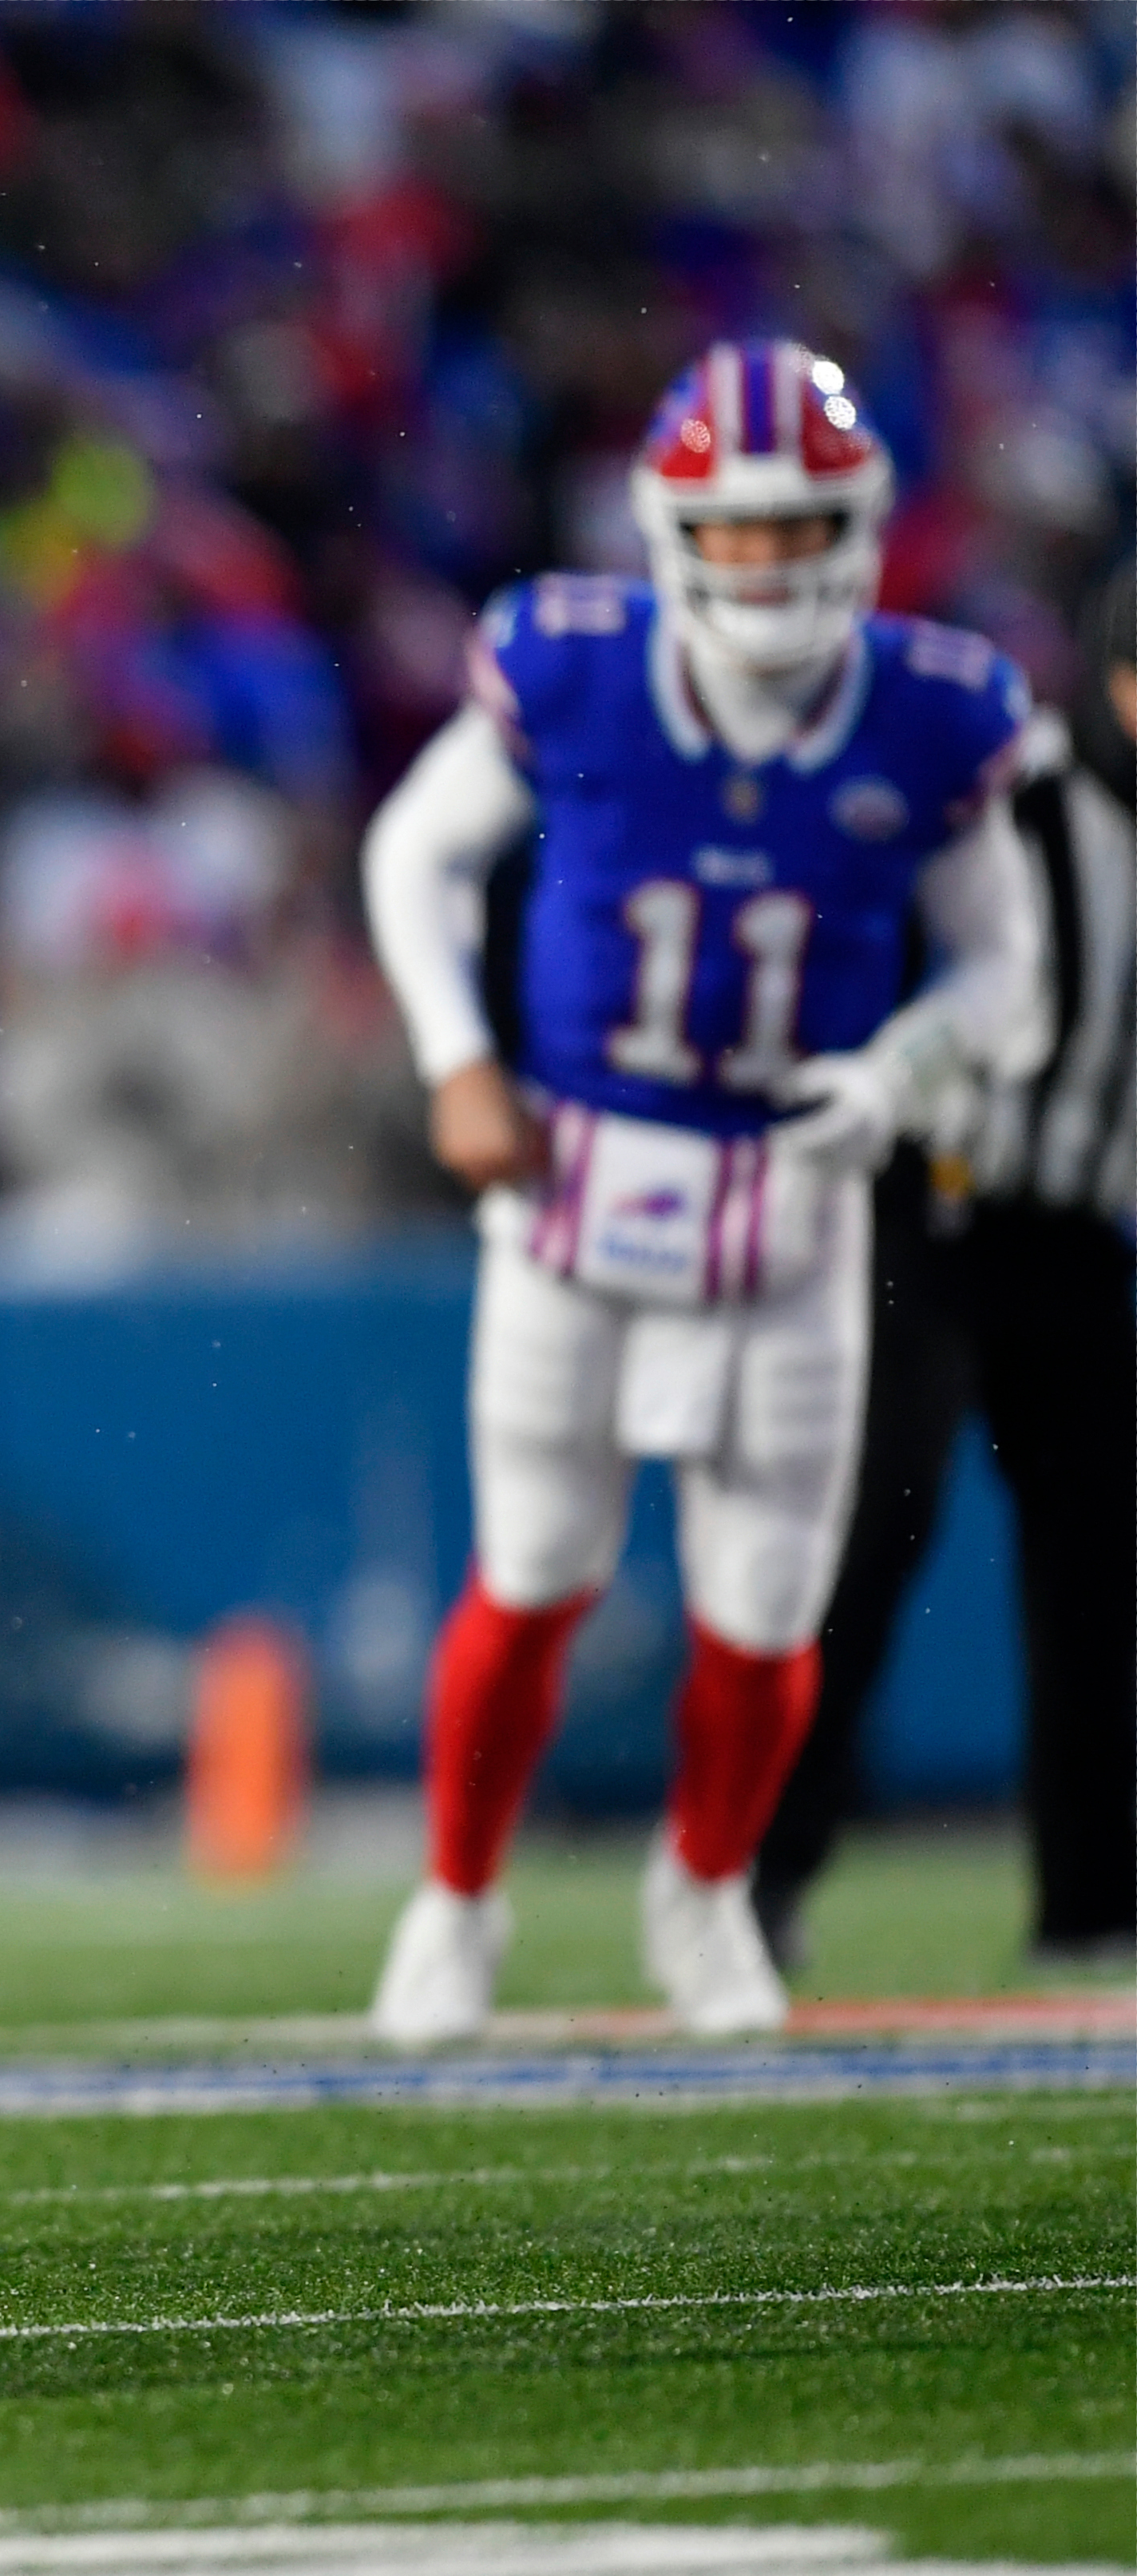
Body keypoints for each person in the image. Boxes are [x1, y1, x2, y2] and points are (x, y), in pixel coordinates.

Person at [359, 339, 1042, 2044]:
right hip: (574, 1175)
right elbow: (409, 850)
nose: (766, 561)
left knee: (761, 1602)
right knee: (531, 1569)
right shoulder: (573, 668)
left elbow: (1002, 967)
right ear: (672, 530)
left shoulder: (929, 706)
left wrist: (893, 1080)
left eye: (798, 523)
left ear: (859, 524)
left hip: (793, 1192)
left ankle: (708, 1889)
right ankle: (454, 1897)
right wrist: (454, 1055)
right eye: (734, 529)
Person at [755, 560, 1137, 1974]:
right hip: (932, 1208)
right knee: (861, 1538)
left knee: (1096, 1576)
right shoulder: (1013, 795)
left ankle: (1091, 1905)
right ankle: (759, 1874)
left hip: (1080, 1236)